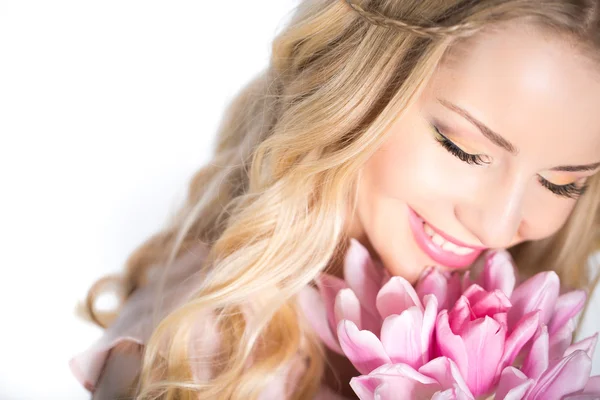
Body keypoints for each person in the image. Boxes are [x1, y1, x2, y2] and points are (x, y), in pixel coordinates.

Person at [70, 0, 600, 399]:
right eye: (463, 149)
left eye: (562, 184)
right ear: (358, 92)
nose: (498, 227)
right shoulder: (206, 353)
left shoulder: (518, 339)